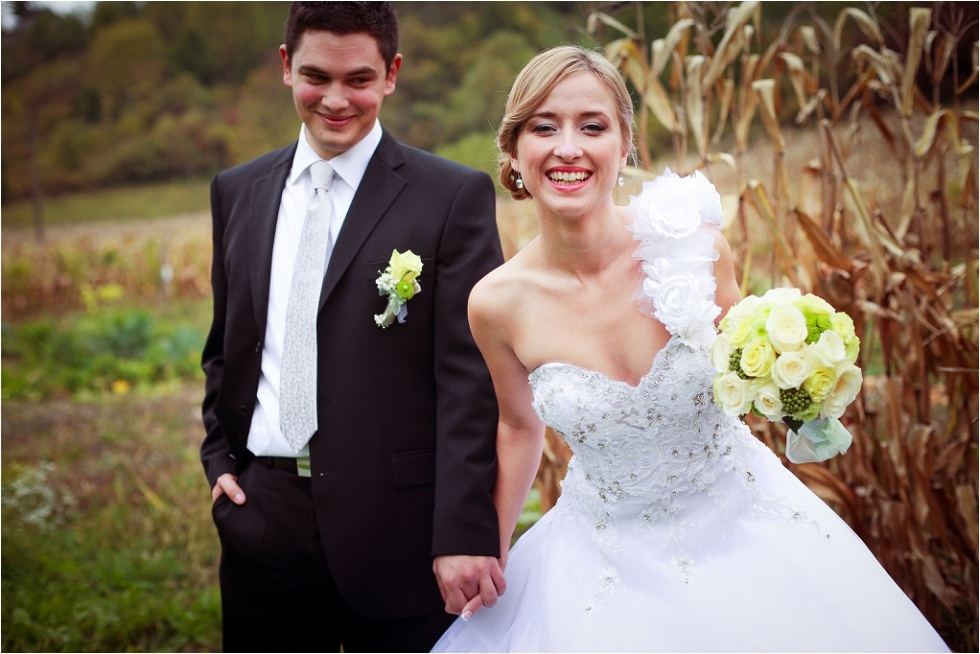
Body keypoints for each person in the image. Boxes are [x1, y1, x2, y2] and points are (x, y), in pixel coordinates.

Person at [432, 45, 949, 652]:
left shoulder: (691, 248)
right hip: (600, 561)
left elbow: (748, 369)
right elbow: (518, 428)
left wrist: (801, 382)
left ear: (624, 145)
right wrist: (487, 544)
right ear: (514, 151)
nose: (568, 147)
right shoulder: (496, 302)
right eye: (544, 127)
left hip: (746, 529)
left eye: (592, 126)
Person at [200, 3, 505, 651]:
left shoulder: (451, 197)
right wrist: (220, 458)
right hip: (263, 518)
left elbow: (470, 383)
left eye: (359, 80)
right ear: (286, 68)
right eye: (316, 76)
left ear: (391, 74)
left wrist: (461, 532)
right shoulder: (238, 190)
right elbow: (227, 343)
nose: (336, 100)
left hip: (401, 528)